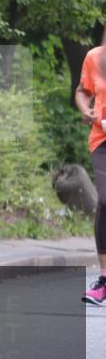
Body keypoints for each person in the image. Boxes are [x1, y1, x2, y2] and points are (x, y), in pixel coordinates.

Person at [75, 26, 106, 306]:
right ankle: (104, 279)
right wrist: (85, 109)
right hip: (102, 139)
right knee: (105, 201)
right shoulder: (95, 58)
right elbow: (83, 91)